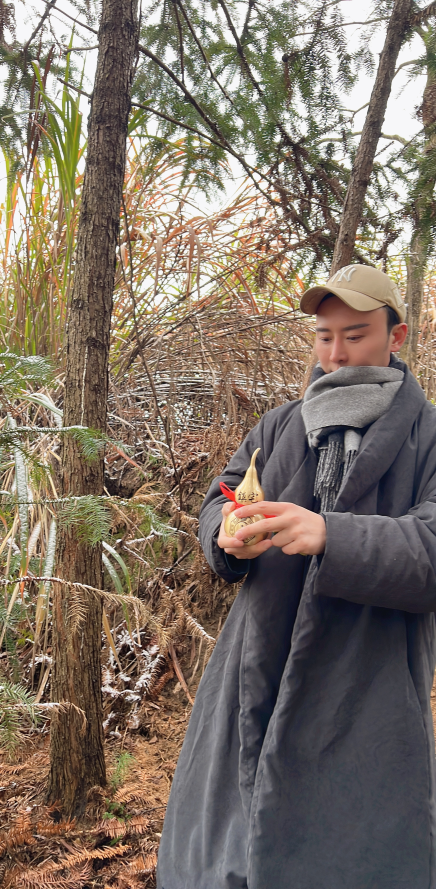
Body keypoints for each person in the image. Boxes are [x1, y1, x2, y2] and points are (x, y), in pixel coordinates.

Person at [156, 264, 436, 889]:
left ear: (398, 336)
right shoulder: (281, 424)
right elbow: (220, 499)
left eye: (356, 335)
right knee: (224, 853)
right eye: (323, 335)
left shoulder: (428, 436)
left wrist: (331, 535)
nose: (336, 353)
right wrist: (224, 537)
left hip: (370, 686)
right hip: (255, 670)